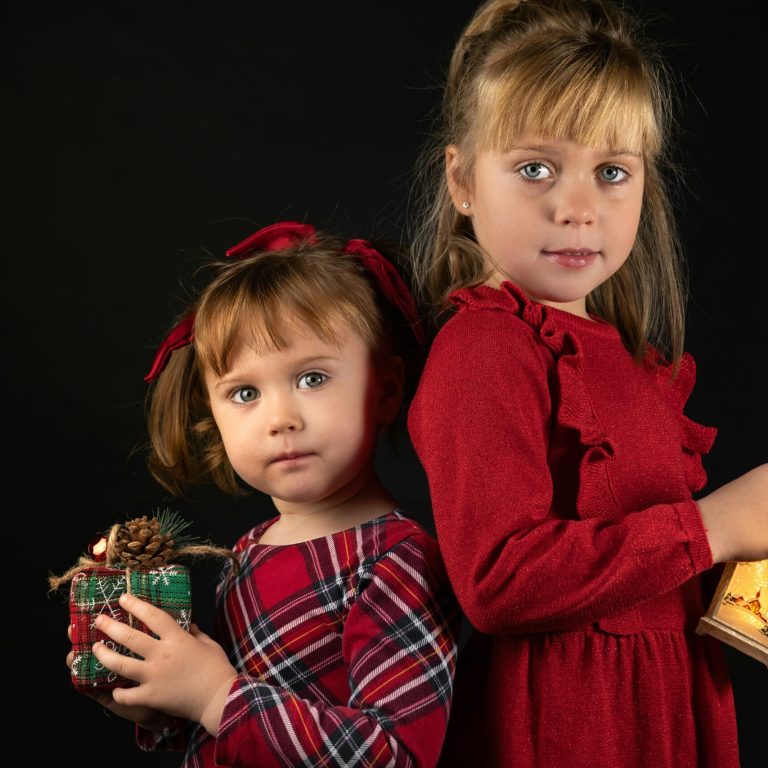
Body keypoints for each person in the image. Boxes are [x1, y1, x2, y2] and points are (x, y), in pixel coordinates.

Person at [405, 1, 768, 766]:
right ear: (463, 181)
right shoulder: (484, 348)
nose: (576, 208)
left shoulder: (631, 358)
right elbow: (498, 581)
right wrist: (713, 527)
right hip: (570, 722)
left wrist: (743, 565)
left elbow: (663, 580)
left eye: (611, 172)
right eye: (535, 167)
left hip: (667, 708)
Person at [66, 221, 460, 767]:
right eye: (245, 393)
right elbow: (239, 732)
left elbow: (394, 754)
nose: (280, 419)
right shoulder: (247, 553)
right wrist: (160, 699)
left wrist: (213, 695)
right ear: (213, 415)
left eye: (313, 379)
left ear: (386, 389)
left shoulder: (396, 560)